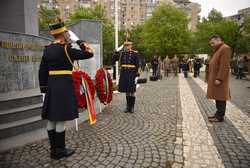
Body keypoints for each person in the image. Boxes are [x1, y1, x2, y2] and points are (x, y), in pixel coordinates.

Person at [39, 20, 94, 159]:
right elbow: (89, 53)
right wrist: (79, 41)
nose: (68, 36)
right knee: (61, 119)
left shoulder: (47, 49)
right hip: (63, 86)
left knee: (52, 119)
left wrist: (44, 89)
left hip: (51, 86)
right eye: (67, 33)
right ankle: (60, 150)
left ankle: (53, 150)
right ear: (63, 34)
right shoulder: (66, 49)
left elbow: (42, 70)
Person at [207, 35, 231, 122]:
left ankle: (220, 116)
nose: (212, 45)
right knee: (218, 97)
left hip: (220, 79)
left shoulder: (225, 48)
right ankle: (217, 114)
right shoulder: (218, 49)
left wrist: (219, 78)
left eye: (213, 43)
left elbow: (224, 65)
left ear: (218, 40)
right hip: (216, 78)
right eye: (211, 44)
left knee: (221, 97)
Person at [118, 41, 139, 113]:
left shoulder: (135, 54)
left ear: (131, 46)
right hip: (124, 74)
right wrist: (117, 51)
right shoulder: (122, 53)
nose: (126, 47)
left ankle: (132, 107)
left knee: (132, 91)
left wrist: (136, 75)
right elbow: (116, 59)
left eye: (128, 45)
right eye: (125, 45)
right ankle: (127, 107)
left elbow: (137, 65)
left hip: (132, 74)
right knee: (127, 91)